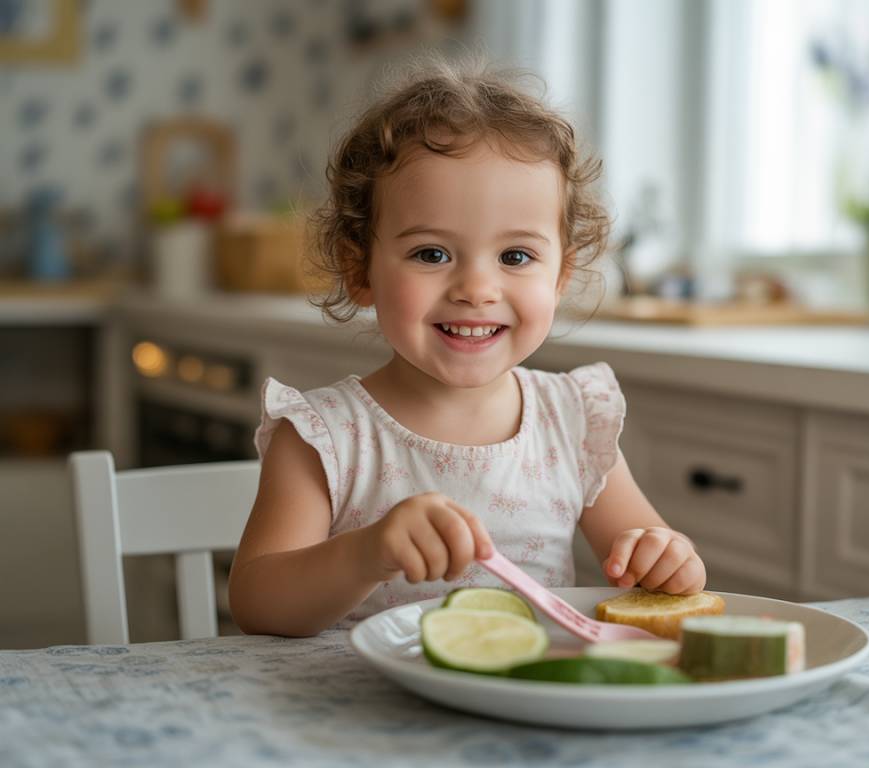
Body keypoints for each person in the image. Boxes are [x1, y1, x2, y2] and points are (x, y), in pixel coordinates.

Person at [228, 59, 707, 637]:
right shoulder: (322, 437)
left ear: (560, 276)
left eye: (515, 257)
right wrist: (366, 554)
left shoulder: (574, 420)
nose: (477, 290)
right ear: (361, 270)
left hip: (526, 708)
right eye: (432, 254)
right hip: (365, 716)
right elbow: (258, 603)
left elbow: (648, 575)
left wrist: (668, 559)